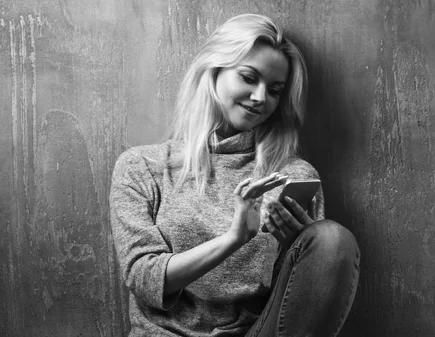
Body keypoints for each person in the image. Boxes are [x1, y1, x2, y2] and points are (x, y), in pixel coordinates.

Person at [110, 13, 360, 337]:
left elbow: (294, 309)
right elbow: (145, 280)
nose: (260, 98)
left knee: (331, 240)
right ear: (213, 70)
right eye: (248, 77)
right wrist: (233, 238)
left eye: (274, 90)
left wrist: (303, 249)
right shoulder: (141, 167)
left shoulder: (291, 176)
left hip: (255, 332)